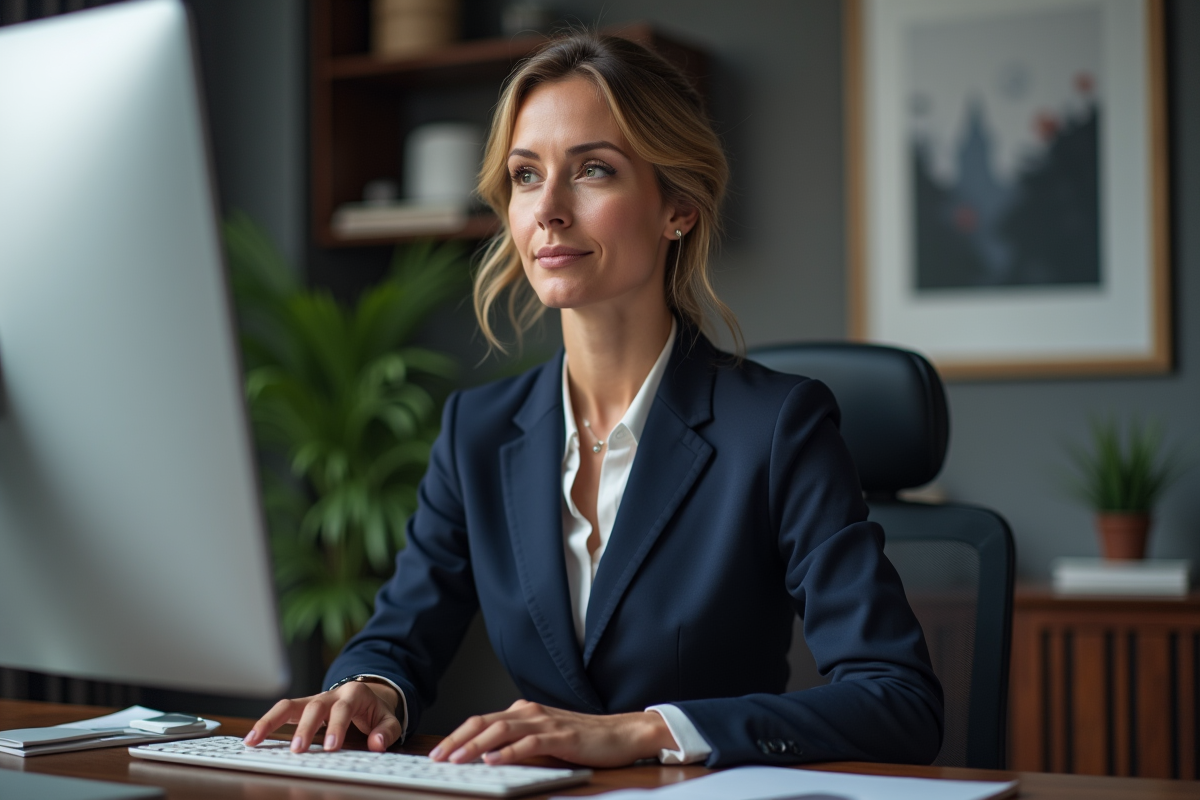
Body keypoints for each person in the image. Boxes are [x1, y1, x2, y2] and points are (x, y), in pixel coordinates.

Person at [246, 32, 943, 769]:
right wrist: (370, 689)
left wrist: (645, 731)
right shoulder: (477, 432)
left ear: (678, 207)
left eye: (593, 171)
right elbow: (398, 638)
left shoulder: (778, 427)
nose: (547, 209)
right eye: (524, 175)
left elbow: (897, 699)